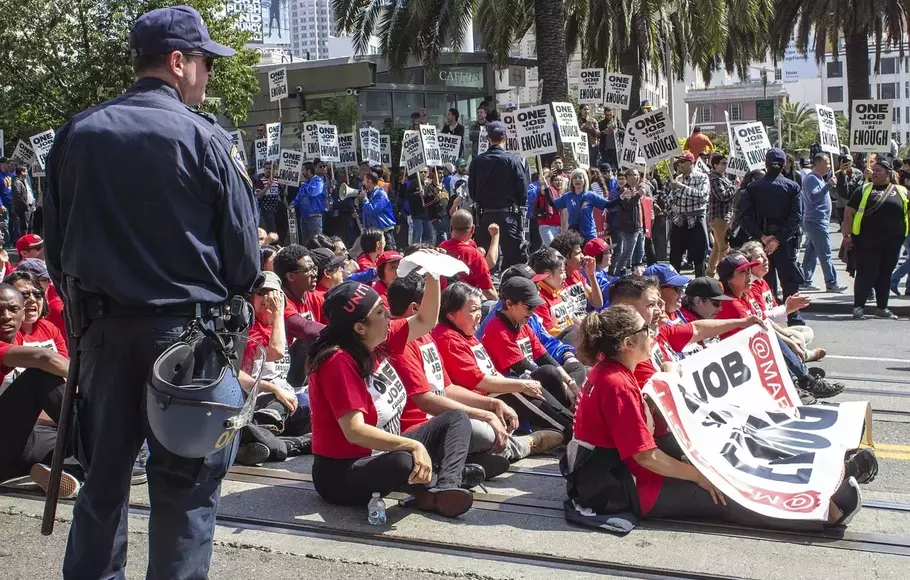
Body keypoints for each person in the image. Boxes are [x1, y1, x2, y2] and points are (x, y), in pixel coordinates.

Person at [43, 7, 260, 577]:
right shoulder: (206, 137)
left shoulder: (77, 133)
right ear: (177, 61)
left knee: (102, 483)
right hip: (188, 341)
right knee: (185, 491)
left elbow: (55, 246)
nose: (209, 74)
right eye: (206, 62)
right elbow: (243, 257)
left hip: (104, 337)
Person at [564, 304, 870, 532]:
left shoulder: (612, 372)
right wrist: (698, 475)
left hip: (617, 471)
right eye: (645, 330)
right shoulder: (616, 382)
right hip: (622, 485)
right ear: (627, 343)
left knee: (722, 459)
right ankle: (825, 514)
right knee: (723, 494)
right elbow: (646, 458)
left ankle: (818, 480)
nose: (652, 334)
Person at [307, 272, 476, 517]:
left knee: (456, 417)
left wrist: (432, 275)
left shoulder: (377, 339)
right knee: (404, 461)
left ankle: (446, 485)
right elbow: (354, 431)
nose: (388, 314)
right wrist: (413, 445)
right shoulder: (338, 361)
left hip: (382, 450)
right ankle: (432, 481)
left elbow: (426, 320)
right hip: (343, 472)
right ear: (359, 327)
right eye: (379, 311)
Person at [387, 272, 557, 468]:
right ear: (416, 308)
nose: (438, 308)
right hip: (423, 426)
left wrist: (492, 405)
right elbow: (428, 400)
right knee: (481, 427)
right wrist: (485, 412)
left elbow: (447, 388)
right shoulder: (411, 343)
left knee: (527, 387)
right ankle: (520, 446)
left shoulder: (430, 336)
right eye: (433, 302)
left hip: (447, 416)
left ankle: (476, 461)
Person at [432, 282, 573, 441]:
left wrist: (566, 382)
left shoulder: (466, 333)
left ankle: (574, 421)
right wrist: (520, 385)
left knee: (531, 383)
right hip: (481, 397)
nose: (479, 314)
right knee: (521, 388)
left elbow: (494, 371)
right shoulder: (447, 338)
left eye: (479, 309)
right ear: (451, 315)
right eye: (473, 310)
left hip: (494, 387)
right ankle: (570, 429)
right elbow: (478, 381)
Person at [713, 252, 842, 401]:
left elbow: (765, 321)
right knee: (771, 339)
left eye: (749, 270)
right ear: (729, 279)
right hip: (737, 356)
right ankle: (802, 381)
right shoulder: (732, 303)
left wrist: (791, 341)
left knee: (799, 334)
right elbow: (762, 329)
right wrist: (787, 317)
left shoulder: (745, 295)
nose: (749, 275)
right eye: (743, 272)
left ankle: (801, 379)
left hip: (755, 346)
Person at [0, 284, 74, 496]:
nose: (5, 316)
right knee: (38, 375)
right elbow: (44, 358)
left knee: (69, 439)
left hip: (16, 445)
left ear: (23, 313)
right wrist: (97, 381)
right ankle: (104, 449)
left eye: (13, 309)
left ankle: (69, 473)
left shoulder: (26, 337)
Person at [235, 271, 312, 465]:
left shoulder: (276, 327)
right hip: (255, 401)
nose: (269, 299)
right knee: (279, 405)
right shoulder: (245, 330)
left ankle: (259, 444)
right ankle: (262, 439)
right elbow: (274, 352)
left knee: (317, 410)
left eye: (274, 294)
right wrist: (274, 389)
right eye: (262, 293)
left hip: (286, 397)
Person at [739, 148, 805, 325]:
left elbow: (744, 216)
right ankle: (793, 319)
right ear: (784, 164)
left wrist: (763, 237)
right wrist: (778, 238)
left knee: (763, 282)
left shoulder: (753, 188)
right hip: (783, 242)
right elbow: (796, 217)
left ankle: (769, 318)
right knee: (788, 281)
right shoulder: (793, 187)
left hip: (762, 243)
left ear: (766, 165)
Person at [843, 160, 909, 320]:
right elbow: (848, 212)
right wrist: (847, 235)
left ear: (888, 173)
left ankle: (882, 308)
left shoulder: (901, 191)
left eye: (879, 170)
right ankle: (858, 307)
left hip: (893, 242)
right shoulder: (863, 190)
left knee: (885, 274)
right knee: (866, 273)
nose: (874, 173)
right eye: (873, 170)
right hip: (867, 241)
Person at [468, 121, 529, 269]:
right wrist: (519, 205)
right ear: (505, 138)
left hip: (485, 216)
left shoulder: (477, 161)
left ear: (488, 138)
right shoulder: (513, 159)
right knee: (514, 260)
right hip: (508, 216)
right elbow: (522, 187)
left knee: (484, 261)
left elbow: (472, 191)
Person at [801, 153, 847, 293]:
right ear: (818, 164)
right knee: (825, 254)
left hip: (818, 221)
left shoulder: (819, 179)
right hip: (816, 222)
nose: (829, 166)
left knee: (811, 252)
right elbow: (813, 197)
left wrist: (831, 185)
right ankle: (831, 283)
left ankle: (805, 279)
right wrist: (828, 185)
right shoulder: (811, 179)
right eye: (826, 163)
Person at [667, 152, 710, 278]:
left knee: (699, 257)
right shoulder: (678, 178)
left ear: (690, 163)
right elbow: (670, 200)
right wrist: (674, 192)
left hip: (695, 219)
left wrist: (682, 187)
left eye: (682, 161)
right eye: (679, 161)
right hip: (680, 220)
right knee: (675, 256)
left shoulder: (702, 177)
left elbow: (703, 196)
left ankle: (700, 286)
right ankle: (673, 285)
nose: (679, 164)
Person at [440, 210, 499, 301]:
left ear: (451, 228)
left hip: (442, 301)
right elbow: (488, 291)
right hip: (465, 304)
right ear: (472, 229)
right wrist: (495, 236)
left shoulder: (441, 247)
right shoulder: (474, 255)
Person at [550, 231, 603, 319]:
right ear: (566, 257)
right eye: (578, 253)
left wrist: (591, 275)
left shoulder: (577, 274)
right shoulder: (556, 281)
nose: (583, 256)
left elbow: (598, 303)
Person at [549, 168, 610, 243]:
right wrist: (545, 186)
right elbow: (552, 204)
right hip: (574, 236)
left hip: (589, 235)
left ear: (585, 180)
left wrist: (621, 198)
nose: (577, 180)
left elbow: (608, 204)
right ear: (572, 181)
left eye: (580, 177)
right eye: (575, 178)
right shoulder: (567, 196)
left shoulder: (591, 195)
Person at [531, 247, 575, 340]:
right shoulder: (539, 300)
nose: (565, 276)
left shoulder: (559, 291)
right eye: (561, 272)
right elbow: (550, 333)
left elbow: (570, 319)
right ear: (548, 275)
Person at [609, 168, 647, 275]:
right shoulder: (624, 191)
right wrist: (638, 195)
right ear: (628, 177)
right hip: (630, 228)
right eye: (634, 174)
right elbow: (627, 206)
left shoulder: (638, 188)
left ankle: (637, 275)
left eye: (638, 174)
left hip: (639, 227)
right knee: (627, 254)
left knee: (639, 254)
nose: (638, 176)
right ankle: (616, 276)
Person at [706, 154, 736, 277]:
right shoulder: (714, 178)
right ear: (715, 165)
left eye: (726, 163)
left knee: (718, 247)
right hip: (719, 216)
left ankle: (710, 273)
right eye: (723, 163)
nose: (725, 166)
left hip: (725, 215)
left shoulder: (723, 178)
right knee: (724, 248)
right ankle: (725, 275)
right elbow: (722, 196)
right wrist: (734, 187)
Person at [292, 161, 329, 243]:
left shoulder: (318, 181)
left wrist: (304, 184)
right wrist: (293, 204)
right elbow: (298, 198)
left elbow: (313, 192)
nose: (301, 173)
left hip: (314, 216)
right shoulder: (305, 183)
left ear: (308, 171)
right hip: (304, 217)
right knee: (306, 243)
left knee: (317, 242)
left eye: (303, 170)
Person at [360, 171, 397, 250]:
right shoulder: (373, 193)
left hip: (385, 231)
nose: (363, 183)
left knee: (388, 254)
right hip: (377, 231)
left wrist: (364, 199)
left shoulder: (381, 194)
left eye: (364, 180)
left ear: (369, 181)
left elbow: (372, 210)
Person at [582, 238, 617, 310]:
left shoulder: (600, 271)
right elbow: (607, 294)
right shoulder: (592, 274)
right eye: (607, 252)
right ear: (597, 256)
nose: (610, 254)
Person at [834, 155, 863, 228]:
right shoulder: (837, 174)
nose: (848, 165)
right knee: (844, 227)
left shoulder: (858, 173)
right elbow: (833, 189)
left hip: (854, 204)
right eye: (845, 162)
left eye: (849, 162)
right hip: (842, 204)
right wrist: (843, 174)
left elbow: (860, 187)